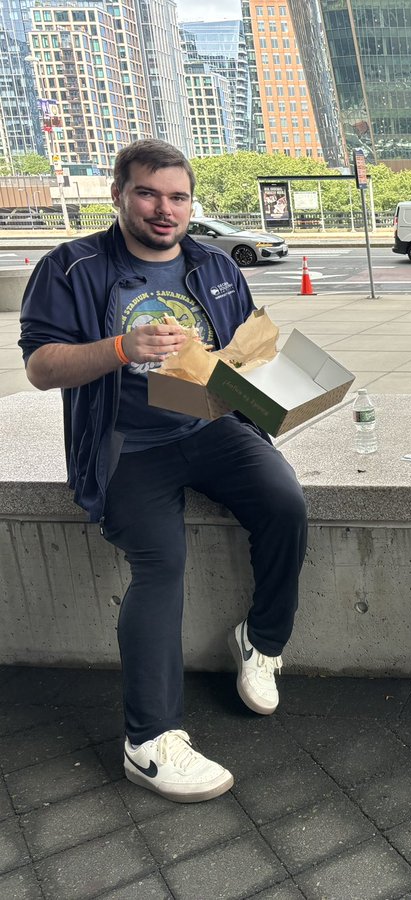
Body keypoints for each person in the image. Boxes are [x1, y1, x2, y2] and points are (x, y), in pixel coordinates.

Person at [18, 139, 307, 801]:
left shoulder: (213, 263)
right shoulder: (71, 267)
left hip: (211, 426)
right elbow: (41, 367)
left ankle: (261, 642)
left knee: (285, 501)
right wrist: (124, 347)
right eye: (148, 193)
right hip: (127, 445)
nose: (163, 208)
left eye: (177, 196)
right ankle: (149, 743)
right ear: (119, 194)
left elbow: (243, 357)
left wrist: (273, 380)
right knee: (162, 561)